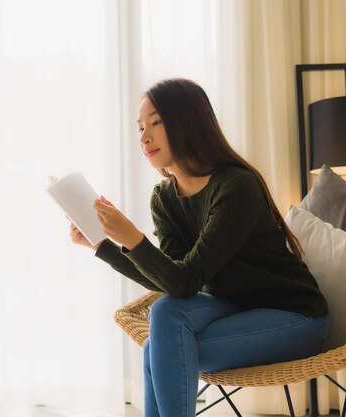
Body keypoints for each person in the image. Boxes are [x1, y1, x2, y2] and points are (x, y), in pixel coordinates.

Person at [69, 78, 329, 417]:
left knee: (156, 350)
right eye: (140, 127)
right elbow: (173, 281)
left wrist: (131, 236)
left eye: (157, 122)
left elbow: (185, 281)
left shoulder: (236, 186)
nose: (144, 137)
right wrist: (103, 245)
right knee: (164, 312)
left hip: (295, 317)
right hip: (234, 307)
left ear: (187, 121)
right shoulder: (164, 198)